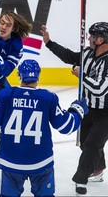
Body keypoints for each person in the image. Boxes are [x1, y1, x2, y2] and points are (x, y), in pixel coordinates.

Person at [0, 59, 88, 197]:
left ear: (20, 76)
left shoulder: (6, 95)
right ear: (38, 76)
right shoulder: (48, 98)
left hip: (11, 161)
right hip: (40, 161)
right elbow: (66, 126)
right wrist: (77, 110)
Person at [40, 22, 108, 195]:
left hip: (105, 111)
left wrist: (81, 76)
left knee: (92, 143)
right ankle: (98, 168)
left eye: (93, 36)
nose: (89, 39)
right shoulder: (87, 54)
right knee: (85, 142)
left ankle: (80, 180)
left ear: (101, 39)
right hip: (88, 108)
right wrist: (49, 43)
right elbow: (68, 56)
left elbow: (100, 89)